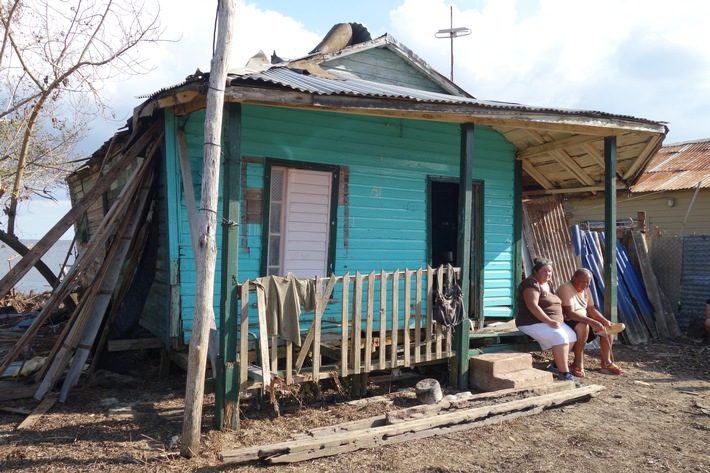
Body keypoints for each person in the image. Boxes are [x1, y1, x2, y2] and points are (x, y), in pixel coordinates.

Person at [515, 258, 580, 387]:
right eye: (544, 271)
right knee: (559, 337)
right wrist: (549, 321)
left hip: (549, 322)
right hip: (531, 322)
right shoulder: (531, 284)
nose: (548, 274)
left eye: (550, 271)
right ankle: (564, 374)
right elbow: (533, 306)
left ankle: (556, 366)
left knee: (572, 336)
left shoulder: (548, 283)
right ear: (535, 271)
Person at [556, 268, 624, 376]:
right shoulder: (566, 288)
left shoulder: (586, 289)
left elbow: (591, 310)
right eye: (583, 282)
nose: (586, 285)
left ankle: (606, 362)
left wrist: (604, 321)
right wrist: (592, 322)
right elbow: (570, 314)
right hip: (567, 321)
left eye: (588, 282)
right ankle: (578, 361)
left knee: (607, 328)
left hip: (583, 319)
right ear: (574, 279)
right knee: (584, 326)